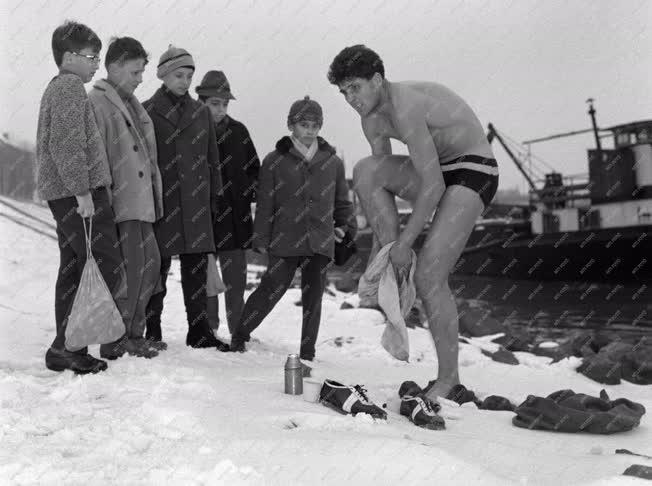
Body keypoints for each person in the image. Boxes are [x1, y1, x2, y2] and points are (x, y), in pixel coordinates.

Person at [327, 45, 499, 411]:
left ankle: (450, 380)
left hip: (473, 168)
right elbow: (379, 185)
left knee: (431, 277)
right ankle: (389, 256)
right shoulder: (371, 118)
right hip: (436, 170)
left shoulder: (406, 105)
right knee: (365, 170)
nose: (350, 99)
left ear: (377, 80)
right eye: (344, 92)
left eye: (355, 87)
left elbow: (434, 185)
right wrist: (388, 245)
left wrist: (409, 240)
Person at [230, 96, 356, 361]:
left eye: (315, 125)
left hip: (320, 239)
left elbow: (343, 201)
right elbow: (265, 204)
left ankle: (307, 352)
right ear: (291, 125)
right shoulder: (274, 161)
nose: (310, 130)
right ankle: (240, 334)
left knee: (314, 300)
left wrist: (347, 227)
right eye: (304, 124)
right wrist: (261, 238)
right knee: (271, 289)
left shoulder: (333, 162)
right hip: (284, 239)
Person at [37, 21, 126, 373]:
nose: (95, 63)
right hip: (77, 195)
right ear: (69, 57)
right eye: (92, 56)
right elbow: (67, 145)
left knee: (76, 268)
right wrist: (84, 194)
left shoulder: (60, 87)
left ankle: (65, 347)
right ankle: (69, 345)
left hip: (66, 194)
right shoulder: (69, 87)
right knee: (104, 265)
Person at [143, 46, 229, 351]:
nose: (185, 81)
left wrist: (215, 195)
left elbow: (211, 157)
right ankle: (151, 328)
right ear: (163, 75)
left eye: (189, 75)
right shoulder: (146, 111)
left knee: (196, 270)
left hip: (196, 203)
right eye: (179, 75)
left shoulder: (201, 112)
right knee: (158, 269)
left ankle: (199, 330)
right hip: (163, 201)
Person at [88, 37, 164, 359]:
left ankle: (133, 333)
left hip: (140, 202)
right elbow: (96, 155)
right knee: (130, 272)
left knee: (150, 266)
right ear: (115, 65)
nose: (140, 79)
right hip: (121, 202)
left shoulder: (129, 103)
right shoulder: (97, 102)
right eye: (135, 72)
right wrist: (103, 202)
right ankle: (118, 339)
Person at [195, 70, 260, 335]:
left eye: (225, 104)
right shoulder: (192, 133)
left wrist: (248, 191)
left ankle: (238, 332)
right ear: (201, 101)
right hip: (205, 222)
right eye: (214, 104)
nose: (221, 110)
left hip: (236, 220)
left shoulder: (239, 131)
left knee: (236, 282)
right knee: (208, 282)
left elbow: (255, 170)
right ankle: (209, 330)